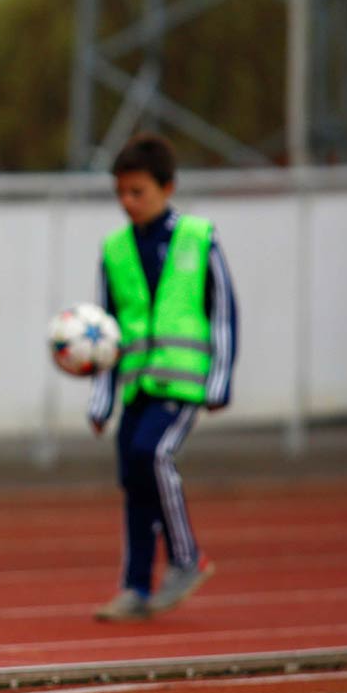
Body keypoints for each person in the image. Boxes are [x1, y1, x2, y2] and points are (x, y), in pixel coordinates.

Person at [88, 133, 237, 622]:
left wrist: (220, 381)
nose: (128, 202)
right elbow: (104, 333)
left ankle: (187, 558)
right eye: (121, 193)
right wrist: (101, 398)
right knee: (134, 477)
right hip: (136, 384)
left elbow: (224, 314)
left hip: (184, 382)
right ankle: (135, 586)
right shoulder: (114, 250)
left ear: (167, 187)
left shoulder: (198, 237)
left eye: (138, 192)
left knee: (152, 454)